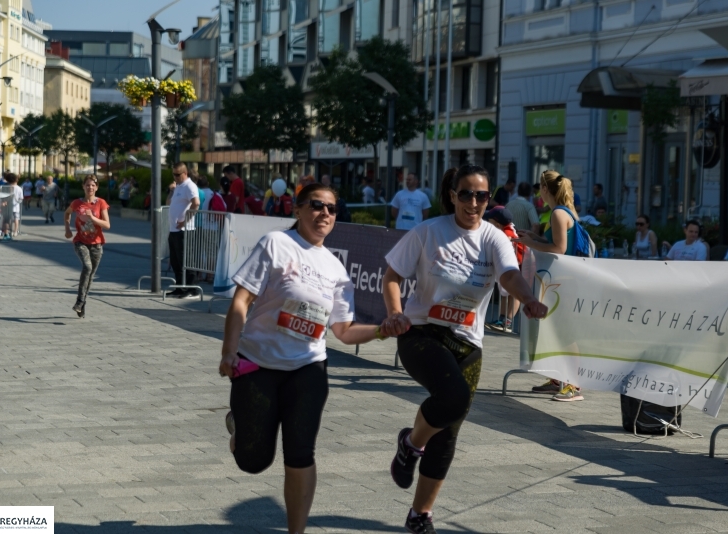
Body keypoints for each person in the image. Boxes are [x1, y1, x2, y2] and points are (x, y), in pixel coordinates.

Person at [380, 165, 547, 533]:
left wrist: (528, 298)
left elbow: (508, 275)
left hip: (466, 342)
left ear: (490, 200)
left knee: (448, 432)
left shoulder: (494, 237)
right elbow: (392, 276)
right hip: (421, 333)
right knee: (452, 397)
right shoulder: (428, 232)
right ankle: (410, 444)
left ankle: (419, 514)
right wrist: (394, 313)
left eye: (482, 196)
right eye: (467, 194)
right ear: (453, 195)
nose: (474, 203)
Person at [219, 182, 389, 534]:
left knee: (300, 454)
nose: (325, 213)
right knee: (254, 461)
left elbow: (343, 331)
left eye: (331, 208)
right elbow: (240, 303)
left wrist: (383, 331)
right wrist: (228, 350)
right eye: (316, 205)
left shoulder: (336, 270)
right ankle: (240, 423)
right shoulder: (276, 244)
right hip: (257, 365)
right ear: (297, 210)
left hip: (308, 368)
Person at [514, 170, 584, 401]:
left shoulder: (557, 213)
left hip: (564, 280)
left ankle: (574, 385)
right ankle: (559, 379)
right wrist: (534, 239)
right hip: (565, 279)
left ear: (544, 189)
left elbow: (560, 249)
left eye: (540, 189)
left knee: (566, 333)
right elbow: (556, 243)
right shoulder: (565, 212)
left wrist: (531, 243)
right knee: (558, 331)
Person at [64, 175, 110, 318]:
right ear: (83, 187)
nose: (90, 188)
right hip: (80, 242)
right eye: (87, 185)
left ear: (96, 187)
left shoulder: (101, 203)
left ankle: (82, 303)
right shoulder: (77, 203)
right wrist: (67, 228)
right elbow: (67, 213)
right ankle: (79, 301)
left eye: (93, 185)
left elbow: (107, 225)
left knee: (90, 276)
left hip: (96, 244)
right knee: (87, 267)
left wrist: (93, 218)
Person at [484, 206, 525, 331]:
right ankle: (502, 319)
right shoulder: (505, 230)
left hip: (516, 267)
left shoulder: (507, 234)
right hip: (511, 267)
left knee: (514, 294)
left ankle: (508, 321)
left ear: (496, 223)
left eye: (489, 220)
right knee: (505, 294)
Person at [166, 162, 201, 298]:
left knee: (186, 259)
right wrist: (171, 190)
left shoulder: (189, 186)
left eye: (177, 174)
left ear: (185, 173)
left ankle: (192, 289)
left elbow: (196, 203)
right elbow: (169, 203)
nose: (175, 177)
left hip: (184, 230)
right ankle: (180, 287)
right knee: (176, 261)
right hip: (174, 229)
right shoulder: (179, 186)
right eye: (173, 174)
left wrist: (185, 221)